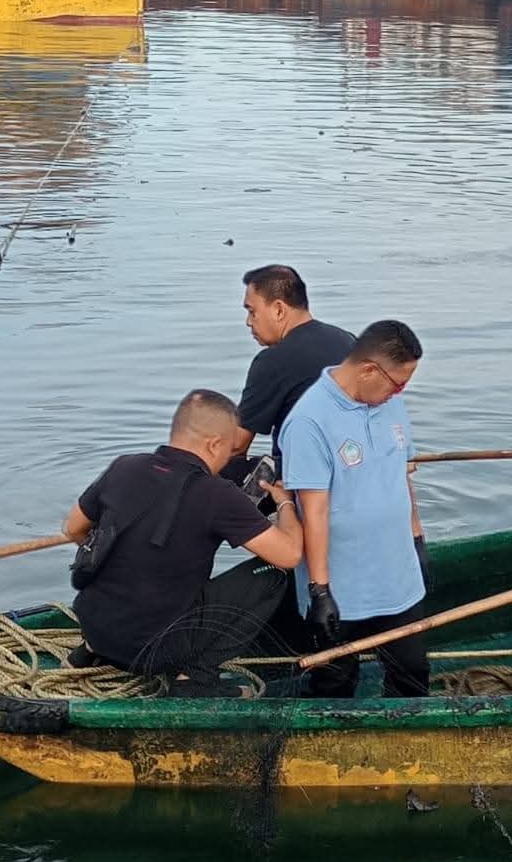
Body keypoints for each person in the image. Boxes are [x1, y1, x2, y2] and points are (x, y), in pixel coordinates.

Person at [63, 389, 303, 694]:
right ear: (215, 444)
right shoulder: (218, 494)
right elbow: (290, 555)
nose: (230, 459)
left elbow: (73, 529)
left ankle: (90, 651)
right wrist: (285, 504)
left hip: (94, 627)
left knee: (130, 561)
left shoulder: (123, 466)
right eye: (230, 451)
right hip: (156, 653)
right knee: (271, 576)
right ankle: (196, 679)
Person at [280, 320, 430, 698]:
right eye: (397, 383)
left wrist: (418, 541)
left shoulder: (391, 405)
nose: (401, 392)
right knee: (334, 680)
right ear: (368, 370)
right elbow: (313, 512)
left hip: (398, 578)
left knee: (412, 672)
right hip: (344, 586)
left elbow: (402, 478)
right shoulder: (308, 421)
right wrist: (320, 591)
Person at [229, 265, 354, 477]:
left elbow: (236, 446)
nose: (248, 322)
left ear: (279, 309)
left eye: (252, 312)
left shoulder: (273, 361)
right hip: (353, 466)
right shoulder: (349, 341)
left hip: (305, 479)